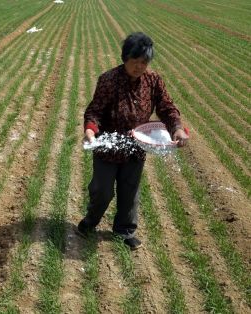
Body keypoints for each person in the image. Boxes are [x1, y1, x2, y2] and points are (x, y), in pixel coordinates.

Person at [78, 32, 189, 250]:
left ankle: (124, 230)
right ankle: (90, 222)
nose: (139, 67)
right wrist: (90, 131)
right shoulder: (108, 80)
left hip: (136, 147)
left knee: (130, 192)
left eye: (144, 62)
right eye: (135, 62)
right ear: (124, 58)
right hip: (108, 148)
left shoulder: (153, 80)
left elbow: (166, 107)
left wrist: (176, 128)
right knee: (102, 190)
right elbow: (95, 112)